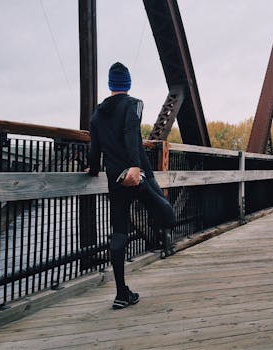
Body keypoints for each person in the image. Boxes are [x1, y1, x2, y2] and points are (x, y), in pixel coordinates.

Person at [86, 62, 177, 309]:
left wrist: (92, 170)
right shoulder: (134, 104)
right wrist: (136, 167)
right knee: (168, 216)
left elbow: (95, 149)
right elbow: (129, 131)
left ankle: (121, 293)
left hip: (114, 180)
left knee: (119, 233)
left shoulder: (97, 113)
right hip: (135, 176)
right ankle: (164, 237)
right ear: (127, 83)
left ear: (110, 84)